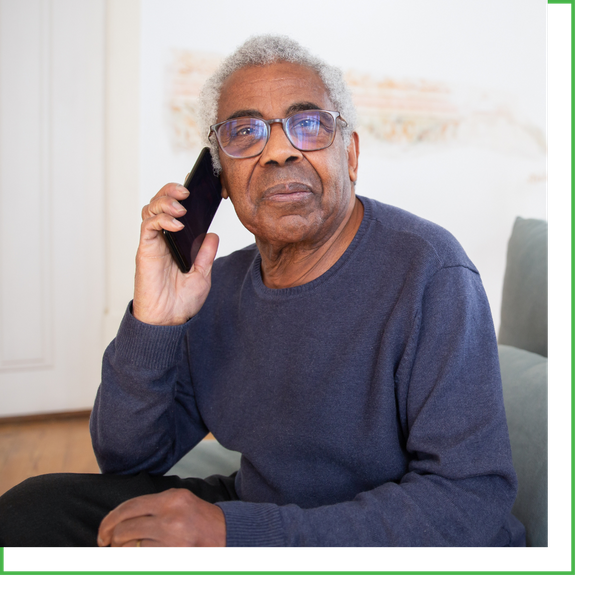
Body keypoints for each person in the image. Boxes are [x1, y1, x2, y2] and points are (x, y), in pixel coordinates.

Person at [0, 34, 525, 549]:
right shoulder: (215, 288)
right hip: (268, 516)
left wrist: (237, 534)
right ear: (220, 178)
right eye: (245, 133)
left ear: (351, 155)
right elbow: (128, 461)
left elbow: (468, 502)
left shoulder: (430, 273)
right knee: (32, 512)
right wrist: (154, 323)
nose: (278, 151)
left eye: (309, 124)